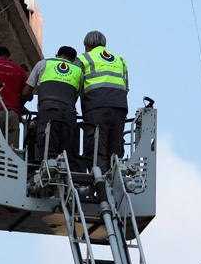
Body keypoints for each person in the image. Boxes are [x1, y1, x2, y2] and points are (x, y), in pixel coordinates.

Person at [21, 46, 83, 164]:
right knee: (66, 149)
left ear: (56, 56)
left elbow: (25, 92)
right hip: (69, 113)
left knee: (47, 144)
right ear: (74, 60)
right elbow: (75, 96)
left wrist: (19, 108)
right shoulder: (78, 71)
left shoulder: (43, 64)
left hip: (48, 110)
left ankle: (48, 168)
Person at [77, 31, 128, 172]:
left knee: (96, 144)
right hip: (119, 108)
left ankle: (99, 177)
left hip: (96, 107)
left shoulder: (83, 59)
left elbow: (75, 86)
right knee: (115, 146)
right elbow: (126, 87)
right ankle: (115, 177)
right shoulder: (120, 61)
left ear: (87, 45)